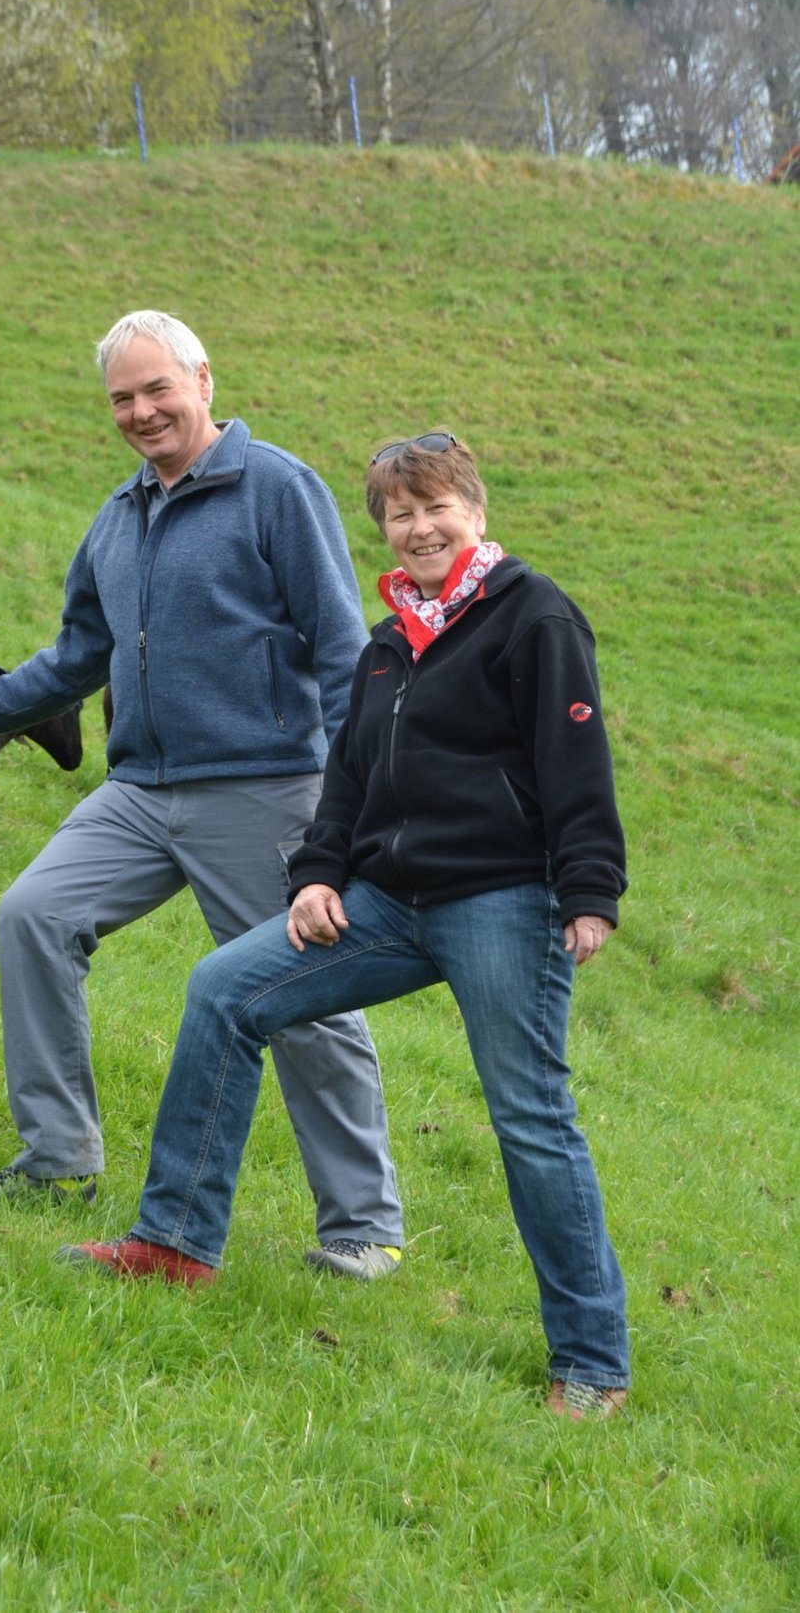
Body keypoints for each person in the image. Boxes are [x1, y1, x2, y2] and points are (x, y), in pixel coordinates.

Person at [64, 432, 630, 1420]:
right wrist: (319, 872)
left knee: (529, 1118)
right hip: (382, 904)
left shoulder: (531, 616)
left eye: (434, 506)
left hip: (500, 900)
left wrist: (587, 889)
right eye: (397, 513)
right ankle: (171, 1245)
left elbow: (572, 756)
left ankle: (588, 1360)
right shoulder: (387, 641)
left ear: (474, 510)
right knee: (224, 989)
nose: (417, 526)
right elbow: (351, 776)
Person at [0, 310, 403, 1278]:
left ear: (203, 380)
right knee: (31, 913)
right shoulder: (115, 518)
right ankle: (57, 1157)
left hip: (264, 790)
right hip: (137, 791)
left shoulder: (277, 489)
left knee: (298, 995)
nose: (140, 411)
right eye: (121, 398)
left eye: (155, 390)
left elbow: (344, 649)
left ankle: (362, 1224)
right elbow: (71, 659)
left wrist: (356, 801)